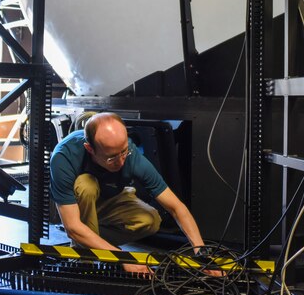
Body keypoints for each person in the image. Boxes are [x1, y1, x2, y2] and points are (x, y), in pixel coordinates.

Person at [50, 112, 205, 274]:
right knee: (86, 185)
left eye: (124, 152)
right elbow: (72, 227)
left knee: (150, 220)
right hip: (81, 204)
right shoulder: (64, 157)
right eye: (111, 158)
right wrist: (122, 258)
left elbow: (176, 207)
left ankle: (91, 241)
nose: (121, 161)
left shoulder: (131, 154)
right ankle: (86, 249)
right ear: (90, 149)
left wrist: (201, 253)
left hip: (110, 197)